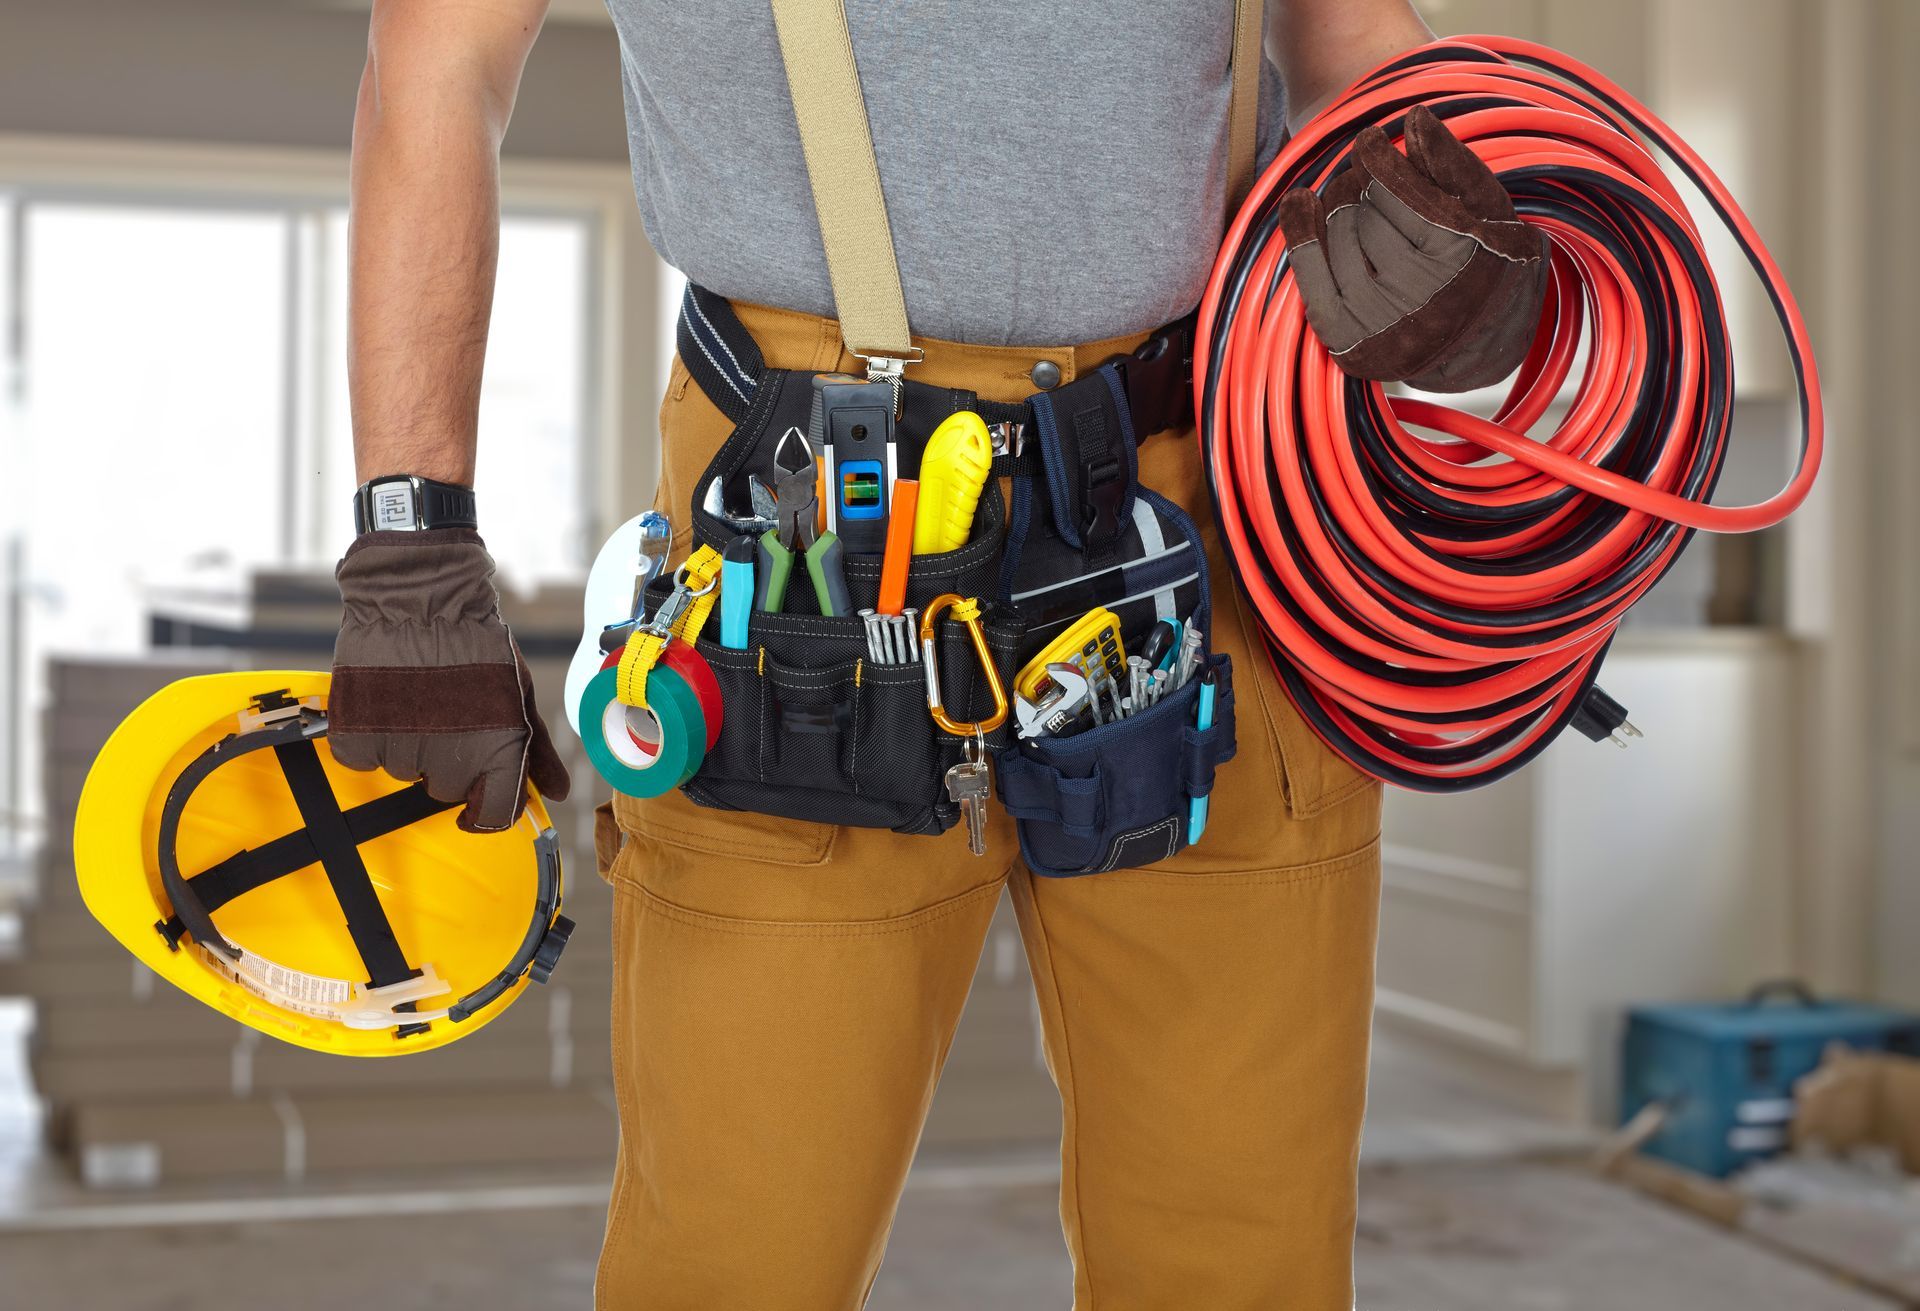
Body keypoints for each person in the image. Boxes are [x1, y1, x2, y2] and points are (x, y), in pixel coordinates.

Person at [333, 3, 1543, 1306]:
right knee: (745, 1250)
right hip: (809, 503)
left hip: (1214, 485)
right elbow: (436, 64)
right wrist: (415, 533)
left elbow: (1349, 40)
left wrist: (1461, 241)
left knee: (1239, 1245)